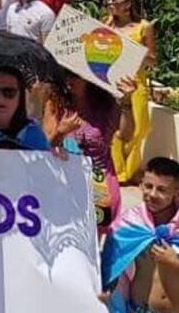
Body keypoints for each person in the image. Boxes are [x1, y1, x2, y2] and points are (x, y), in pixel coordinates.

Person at [101, 157, 179, 313]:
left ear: (177, 192)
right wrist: (107, 293)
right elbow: (111, 262)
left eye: (162, 189)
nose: (152, 194)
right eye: (148, 186)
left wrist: (173, 261)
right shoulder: (130, 224)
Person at [44, 73, 136, 235]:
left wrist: (126, 103)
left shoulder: (107, 104)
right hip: (64, 182)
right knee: (65, 237)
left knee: (94, 240)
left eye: (75, 75)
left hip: (100, 182)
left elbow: (126, 135)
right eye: (64, 72)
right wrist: (60, 133)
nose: (68, 79)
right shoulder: (56, 103)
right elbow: (45, 147)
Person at [108, 0, 158, 184]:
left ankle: (129, 169)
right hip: (112, 80)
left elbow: (153, 58)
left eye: (114, 0)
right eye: (109, 0)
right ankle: (118, 172)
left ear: (127, 4)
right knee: (113, 128)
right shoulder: (108, 23)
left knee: (138, 130)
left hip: (135, 82)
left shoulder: (144, 27)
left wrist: (131, 51)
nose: (109, 3)